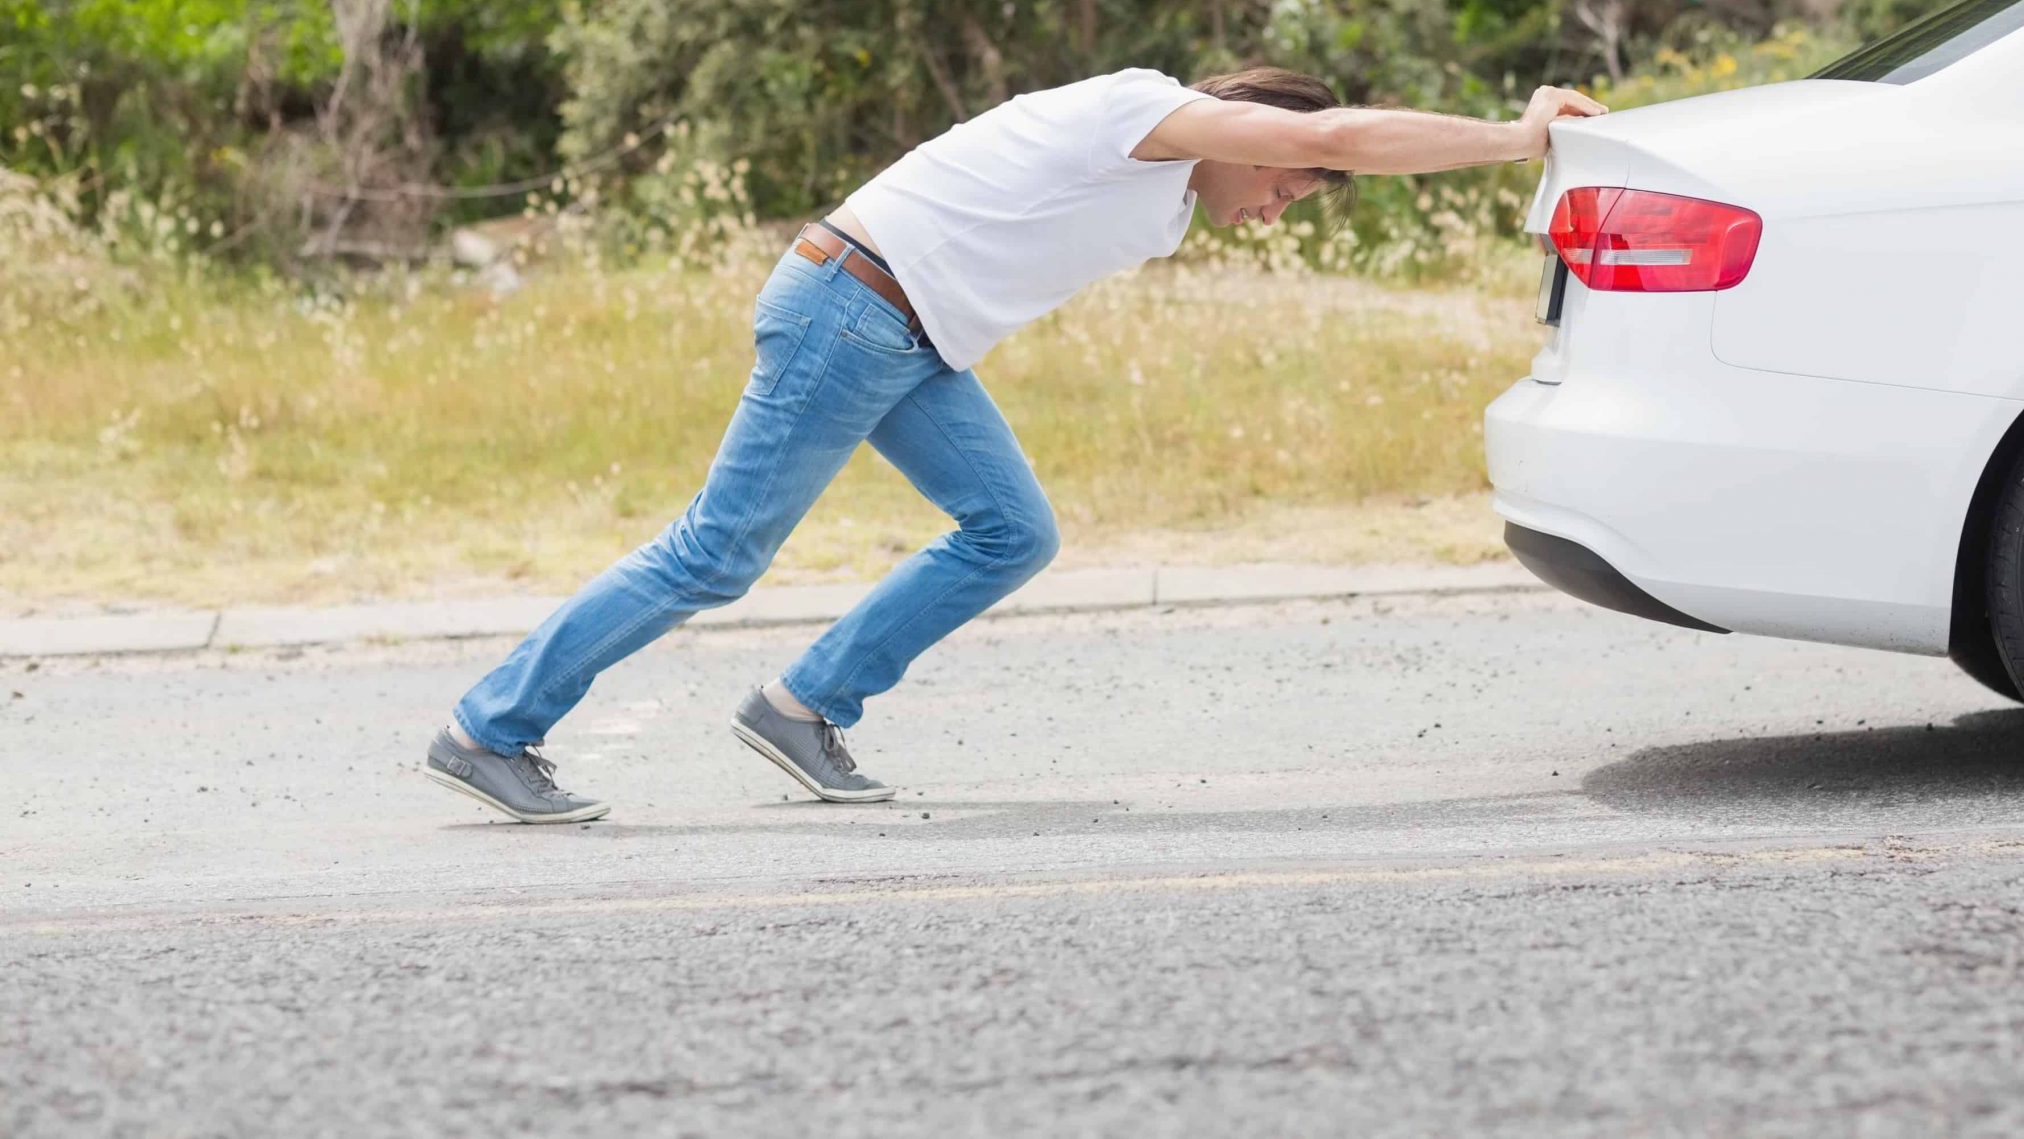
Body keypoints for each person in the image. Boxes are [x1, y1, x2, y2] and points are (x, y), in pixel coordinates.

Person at [423, 66, 1606, 823]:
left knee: (1010, 532)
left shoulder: (1168, 185)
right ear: (1262, 133)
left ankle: (800, 705)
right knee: (716, 554)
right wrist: (1519, 137)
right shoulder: (1140, 112)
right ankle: (491, 727)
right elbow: (1346, 130)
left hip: (904, 332)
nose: (1277, 210)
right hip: (855, 307)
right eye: (1295, 187)